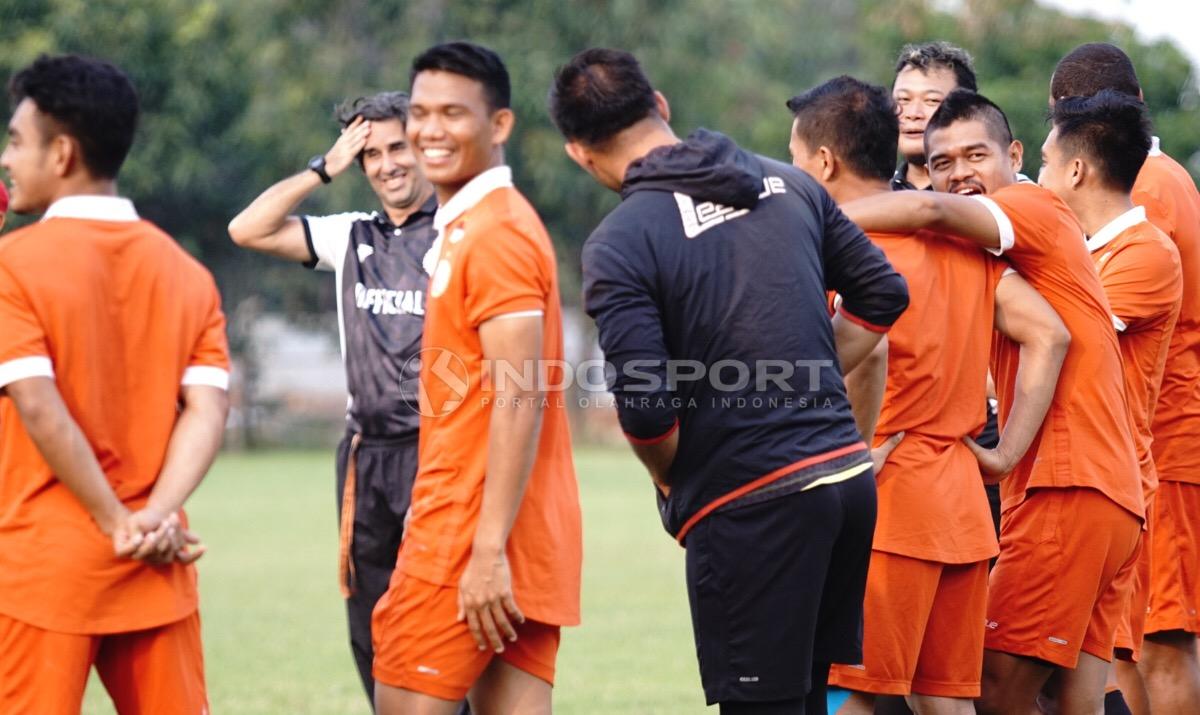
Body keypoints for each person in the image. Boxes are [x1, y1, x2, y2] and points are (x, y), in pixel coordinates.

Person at [551, 48, 910, 714]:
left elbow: (649, 411)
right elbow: (883, 294)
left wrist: (667, 478)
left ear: (578, 152)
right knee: (805, 700)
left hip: (756, 507)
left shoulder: (619, 242)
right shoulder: (790, 182)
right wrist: (809, 376)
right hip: (846, 487)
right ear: (660, 104)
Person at [839, 90, 1144, 715]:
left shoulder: (1023, 204)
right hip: (1112, 493)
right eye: (943, 160)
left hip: (1067, 485)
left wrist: (809, 216)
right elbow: (1049, 331)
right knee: (1072, 700)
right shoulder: (1004, 252)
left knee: (997, 691)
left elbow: (929, 209)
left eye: (975, 154)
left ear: (1014, 154)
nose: (958, 174)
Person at [789, 76, 1068, 715]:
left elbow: (867, 354)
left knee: (857, 699)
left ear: (823, 161)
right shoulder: (970, 250)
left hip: (891, 503)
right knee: (945, 703)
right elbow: (1049, 335)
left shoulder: (845, 253)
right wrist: (1006, 453)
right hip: (965, 511)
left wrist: (850, 457)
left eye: (796, 156)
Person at [0, 54, 228, 714]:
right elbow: (207, 411)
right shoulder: (187, 273)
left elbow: (39, 406)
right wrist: (154, 516)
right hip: (158, 562)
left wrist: (115, 521)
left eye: (16, 141)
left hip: (45, 574)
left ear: (63, 152)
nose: (8, 158)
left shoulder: (13, 267)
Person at [371, 42, 582, 715]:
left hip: (469, 536)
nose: (430, 130)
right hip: (508, 529)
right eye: (420, 112)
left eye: (453, 114)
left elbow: (521, 393)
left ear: (499, 126)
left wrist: (486, 550)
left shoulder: (494, 233)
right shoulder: (471, 224)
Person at [228, 90, 436, 704]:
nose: (387, 164)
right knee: (371, 621)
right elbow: (247, 229)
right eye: (370, 153)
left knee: (444, 623)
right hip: (364, 458)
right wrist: (323, 169)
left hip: (438, 454)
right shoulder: (351, 236)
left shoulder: (458, 232)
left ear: (423, 146)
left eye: (397, 147)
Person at [1051, 43, 1200, 715]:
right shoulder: (1158, 179)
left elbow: (1095, 319)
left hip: (1165, 442)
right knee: (1127, 644)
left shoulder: (1147, 192)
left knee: (1163, 643)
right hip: (1147, 446)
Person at [890, 41, 976, 192]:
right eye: (903, 100)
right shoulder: (875, 194)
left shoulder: (991, 193)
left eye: (931, 101)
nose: (913, 114)